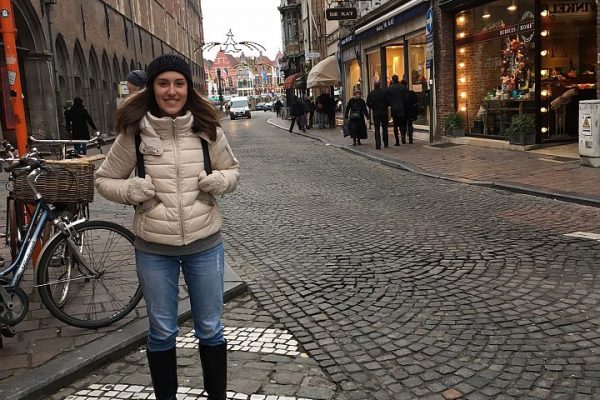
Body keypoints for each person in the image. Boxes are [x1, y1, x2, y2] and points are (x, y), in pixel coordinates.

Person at [94, 54, 240, 400]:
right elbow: (104, 179)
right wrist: (130, 190)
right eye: (163, 83)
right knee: (161, 332)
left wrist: (220, 181)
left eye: (178, 83)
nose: (171, 91)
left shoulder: (208, 129)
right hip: (153, 249)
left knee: (210, 328)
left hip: (205, 246)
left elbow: (232, 171)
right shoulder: (134, 133)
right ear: (152, 88)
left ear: (188, 88)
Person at [385, 74, 408, 146]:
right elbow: (406, 98)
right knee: (402, 124)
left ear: (392, 80)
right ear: (398, 79)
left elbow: (387, 100)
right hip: (402, 108)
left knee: (395, 125)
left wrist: (390, 104)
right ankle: (403, 136)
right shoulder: (402, 88)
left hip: (394, 109)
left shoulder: (389, 88)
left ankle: (397, 141)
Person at [366, 81, 389, 149]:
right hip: (384, 112)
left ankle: (378, 145)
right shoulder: (384, 93)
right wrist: (385, 106)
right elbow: (388, 102)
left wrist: (373, 107)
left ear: (374, 85)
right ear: (380, 85)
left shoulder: (371, 93)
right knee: (385, 128)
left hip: (376, 112)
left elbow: (368, 103)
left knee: (377, 129)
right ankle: (386, 143)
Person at [402, 79, 419, 144]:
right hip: (410, 111)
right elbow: (416, 101)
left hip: (403, 111)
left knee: (403, 125)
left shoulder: (401, 94)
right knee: (410, 124)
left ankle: (403, 138)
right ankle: (410, 138)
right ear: (406, 85)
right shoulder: (411, 93)